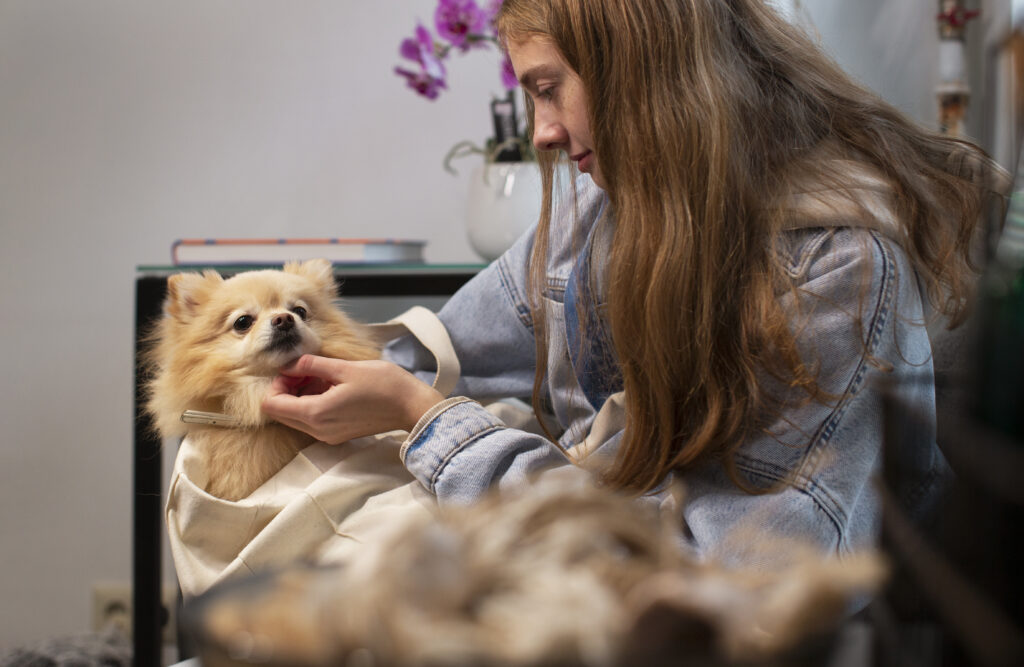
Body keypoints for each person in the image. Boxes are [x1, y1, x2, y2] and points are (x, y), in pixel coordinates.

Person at [262, 0, 1003, 564]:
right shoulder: (598, 210)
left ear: (641, 74)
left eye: (549, 89)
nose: (543, 132)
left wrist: (426, 417)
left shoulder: (841, 270)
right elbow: (435, 352)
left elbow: (724, 576)